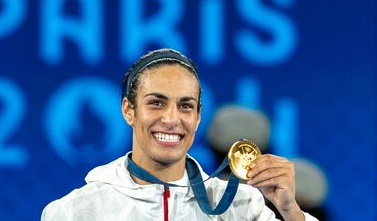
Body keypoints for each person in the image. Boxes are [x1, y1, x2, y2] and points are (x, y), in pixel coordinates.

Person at [41, 48, 317, 221]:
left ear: (197, 117)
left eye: (185, 106)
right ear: (128, 110)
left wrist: (291, 212)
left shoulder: (240, 206)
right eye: (156, 103)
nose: (171, 119)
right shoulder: (75, 212)